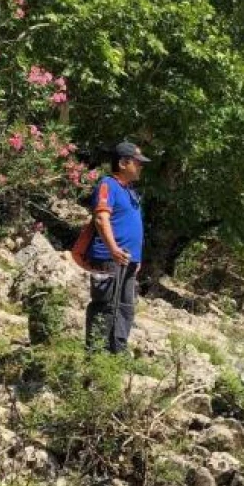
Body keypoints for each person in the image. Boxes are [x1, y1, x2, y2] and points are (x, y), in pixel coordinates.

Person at [84, 142, 149, 353]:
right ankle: (96, 355)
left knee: (125, 308)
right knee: (105, 306)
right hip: (109, 257)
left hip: (128, 260)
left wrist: (137, 259)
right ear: (123, 163)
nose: (141, 167)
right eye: (137, 163)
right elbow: (102, 219)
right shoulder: (108, 185)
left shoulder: (130, 192)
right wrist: (113, 249)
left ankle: (117, 352)